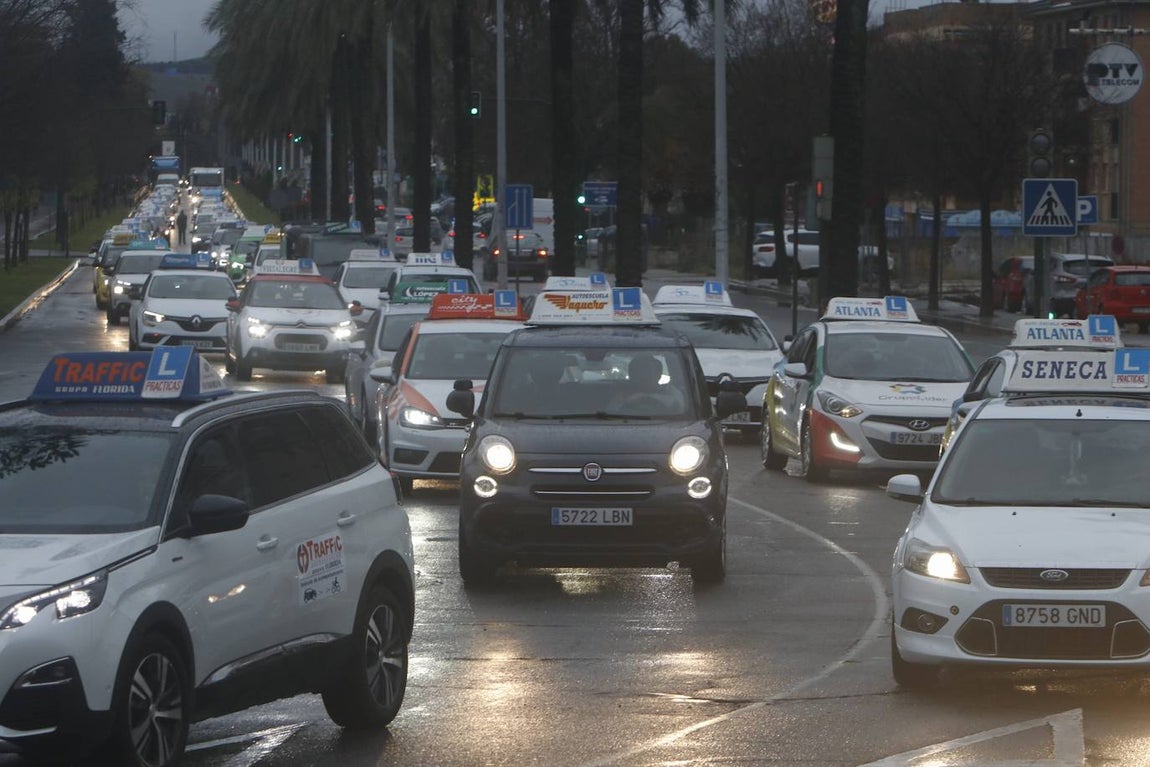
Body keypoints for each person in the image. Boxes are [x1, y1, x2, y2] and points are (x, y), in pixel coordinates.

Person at [611, 354, 685, 415]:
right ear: (631, 376)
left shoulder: (670, 391)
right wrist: (626, 402)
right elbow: (611, 412)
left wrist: (644, 398)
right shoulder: (624, 393)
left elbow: (679, 408)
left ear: (658, 375)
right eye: (638, 373)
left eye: (647, 373)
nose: (643, 377)